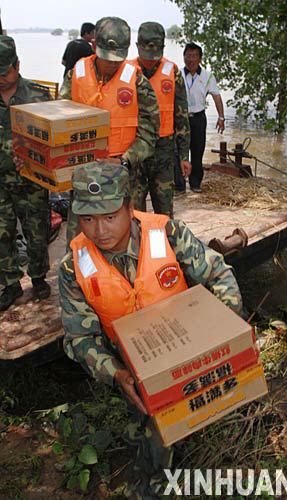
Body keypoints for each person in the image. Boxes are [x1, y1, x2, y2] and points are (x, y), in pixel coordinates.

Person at [59, 160, 243, 498]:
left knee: (164, 425)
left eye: (110, 216)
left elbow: (218, 274)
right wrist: (117, 374)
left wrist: (226, 331)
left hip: (186, 342)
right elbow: (79, 338)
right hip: (128, 359)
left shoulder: (167, 233)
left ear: (131, 207)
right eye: (87, 219)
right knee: (149, 419)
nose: (100, 231)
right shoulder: (74, 266)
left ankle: (154, 480)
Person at [59, 16, 159, 243]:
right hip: (83, 174)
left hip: (122, 175)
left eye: (118, 58)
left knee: (128, 239)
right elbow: (59, 120)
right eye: (107, 58)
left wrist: (125, 160)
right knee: (79, 242)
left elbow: (150, 132)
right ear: (94, 45)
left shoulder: (137, 80)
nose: (112, 64)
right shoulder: (77, 73)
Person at [0, 35, 51, 311]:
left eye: (4, 72)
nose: (0, 78)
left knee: (37, 231)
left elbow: (52, 141)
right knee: (1, 233)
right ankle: (10, 284)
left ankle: (39, 277)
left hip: (31, 180)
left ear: (17, 65)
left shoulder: (37, 95)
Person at [130, 22, 191, 217]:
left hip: (163, 149)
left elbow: (181, 116)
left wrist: (183, 156)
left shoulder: (172, 72)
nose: (149, 61)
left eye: (154, 55)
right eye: (146, 55)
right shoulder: (126, 71)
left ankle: (164, 245)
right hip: (134, 149)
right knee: (134, 210)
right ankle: (139, 246)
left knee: (164, 210)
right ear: (137, 45)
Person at [176, 42, 225, 194]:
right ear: (184, 57)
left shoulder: (207, 76)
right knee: (177, 152)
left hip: (198, 118)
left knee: (197, 152)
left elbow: (216, 96)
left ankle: (195, 183)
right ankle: (179, 186)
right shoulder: (176, 74)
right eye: (188, 56)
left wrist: (221, 117)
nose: (191, 59)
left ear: (200, 59)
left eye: (194, 56)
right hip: (179, 118)